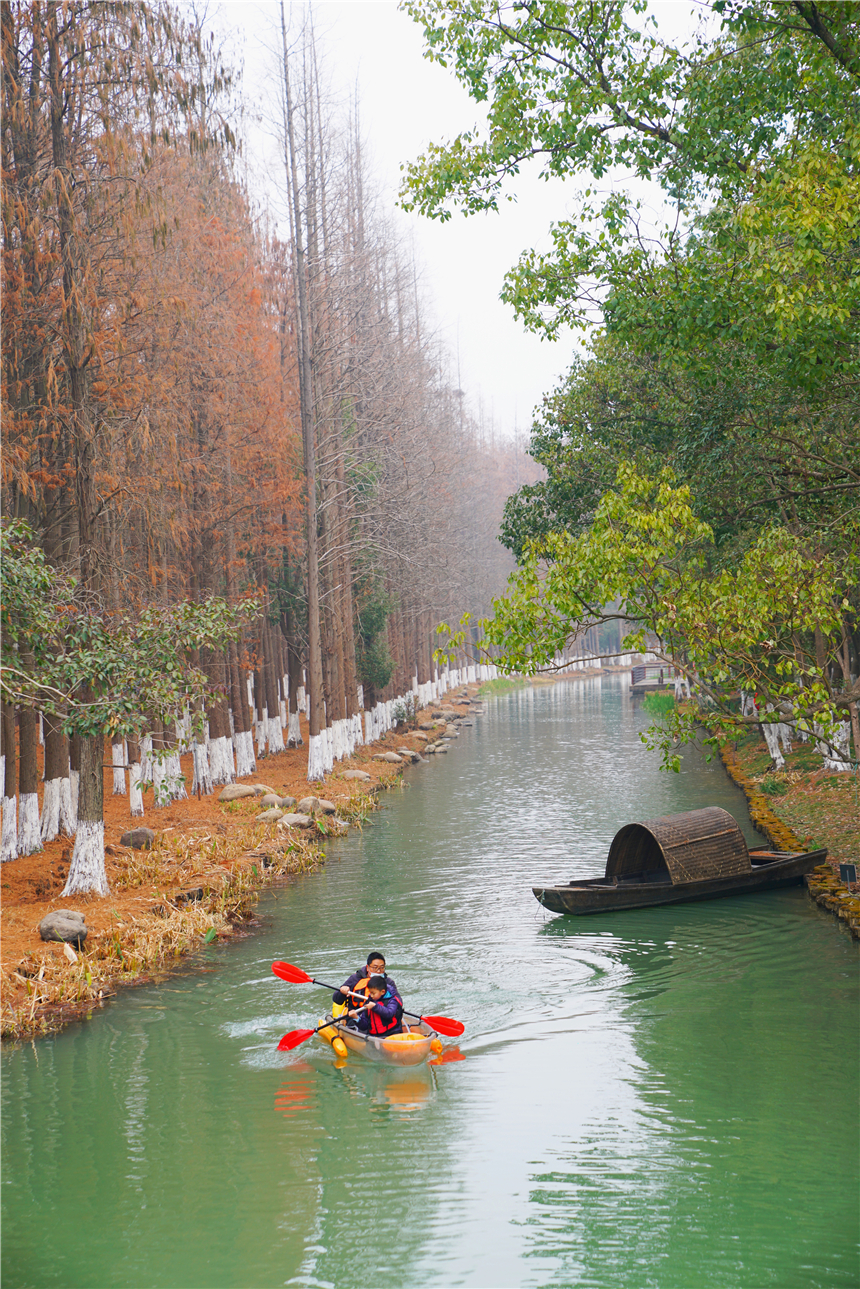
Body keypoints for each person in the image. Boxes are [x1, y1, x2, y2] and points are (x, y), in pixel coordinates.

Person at [332, 952, 397, 1013]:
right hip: (357, 1015)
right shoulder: (355, 979)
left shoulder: (388, 982)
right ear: (367, 967)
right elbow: (337, 1000)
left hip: (381, 1015)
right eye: (375, 968)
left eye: (382, 968)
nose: (378, 971)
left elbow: (396, 1002)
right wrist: (342, 992)